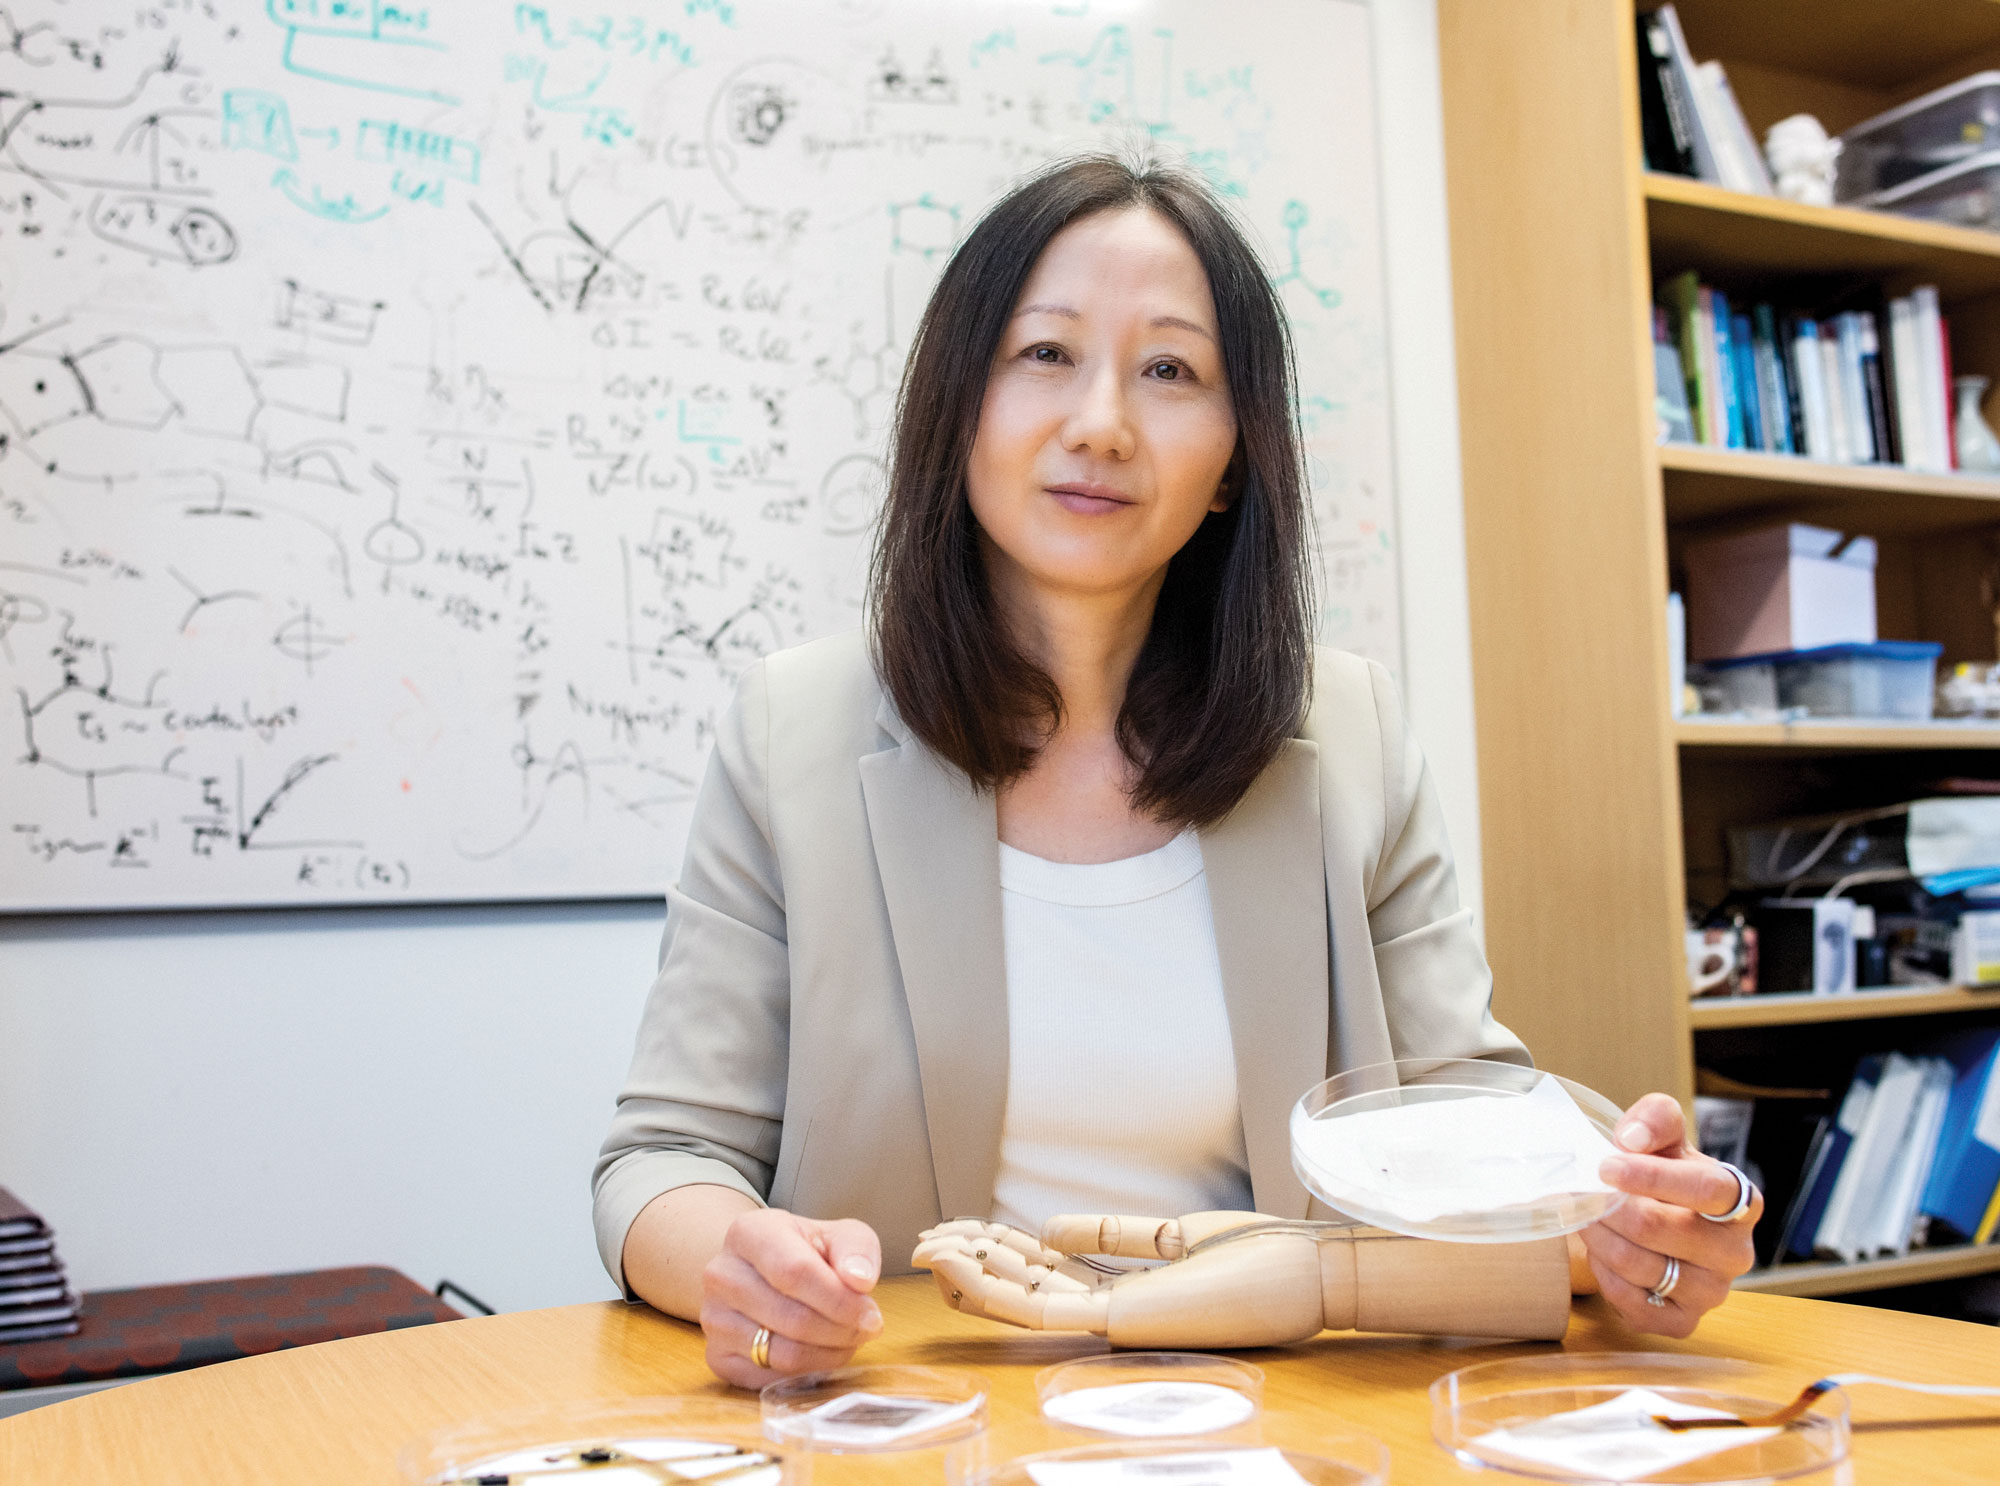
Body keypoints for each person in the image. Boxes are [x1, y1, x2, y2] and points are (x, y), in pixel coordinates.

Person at [593, 154, 1760, 1388]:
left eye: (1169, 371)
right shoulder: (793, 731)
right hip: (918, 1423)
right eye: (1044, 352)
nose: (1100, 422)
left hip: (1269, 1418)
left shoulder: (1349, 734)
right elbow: (662, 1157)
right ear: (957, 406)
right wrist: (741, 1265)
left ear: (1232, 462)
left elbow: (1476, 1133)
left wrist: (1637, 1220)